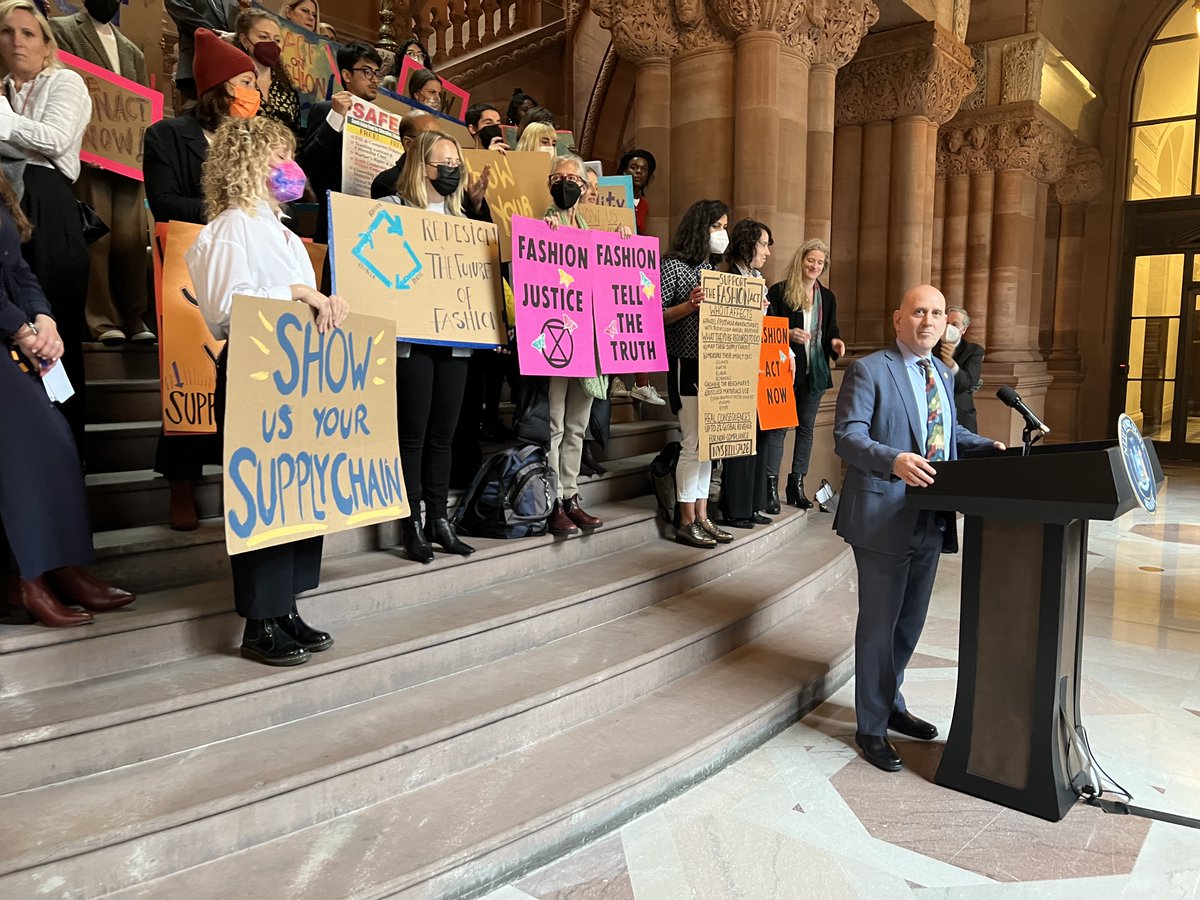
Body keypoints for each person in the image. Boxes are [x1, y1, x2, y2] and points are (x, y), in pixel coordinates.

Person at [186, 115, 348, 665]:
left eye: (290, 155)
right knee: (264, 490)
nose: (290, 166)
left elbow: (303, 303)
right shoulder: (230, 227)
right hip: (255, 372)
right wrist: (299, 291)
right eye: (278, 156)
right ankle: (259, 621)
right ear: (248, 161)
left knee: (298, 487)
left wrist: (328, 304)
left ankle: (286, 608)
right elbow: (226, 310)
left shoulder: (285, 233)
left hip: (297, 373)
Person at [834, 284, 1004, 772]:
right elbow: (847, 436)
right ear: (898, 319)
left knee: (910, 622)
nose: (928, 322)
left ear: (946, 323)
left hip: (932, 514)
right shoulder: (870, 369)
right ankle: (870, 727)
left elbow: (945, 432)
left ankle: (891, 703)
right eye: (918, 313)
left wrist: (984, 446)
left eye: (936, 314)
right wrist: (893, 460)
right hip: (882, 515)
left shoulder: (942, 373)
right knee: (880, 624)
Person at [0, 168, 136, 627]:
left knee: (60, 446)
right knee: (28, 454)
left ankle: (64, 567)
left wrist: (45, 318)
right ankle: (27, 581)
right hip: (7, 334)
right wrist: (21, 329)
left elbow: (18, 267)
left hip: (14, 332)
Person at [143, 29, 256, 531]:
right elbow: (164, 200)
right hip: (190, 269)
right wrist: (229, 213)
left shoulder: (255, 140)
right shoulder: (167, 135)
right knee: (190, 375)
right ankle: (181, 483)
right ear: (221, 86)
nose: (255, 91)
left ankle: (244, 482)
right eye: (246, 82)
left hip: (250, 270)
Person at [378, 129, 491, 563]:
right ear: (421, 166)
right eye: (444, 165)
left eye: (456, 165)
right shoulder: (392, 209)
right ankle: (411, 523)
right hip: (410, 339)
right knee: (413, 435)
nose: (452, 171)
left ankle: (439, 519)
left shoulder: (462, 220)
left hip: (455, 338)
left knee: (444, 434)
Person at [0, 0, 92, 453]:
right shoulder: (1, 89)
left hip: (49, 200)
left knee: (55, 323)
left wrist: (4, 123)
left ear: (47, 43)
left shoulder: (65, 81)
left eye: (28, 33)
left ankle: (68, 449)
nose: (17, 41)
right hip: (5, 200)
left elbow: (56, 140)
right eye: (7, 32)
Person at [51, 0, 154, 345]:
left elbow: (138, 105)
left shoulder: (131, 50)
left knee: (131, 239)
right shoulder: (62, 31)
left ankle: (134, 315)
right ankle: (101, 318)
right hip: (89, 155)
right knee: (98, 239)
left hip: (127, 160)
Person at [539, 154, 609, 536]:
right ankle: (551, 500)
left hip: (587, 341)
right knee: (554, 423)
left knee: (577, 424)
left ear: (583, 187)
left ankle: (570, 495)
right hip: (556, 338)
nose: (564, 184)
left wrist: (620, 243)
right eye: (558, 177)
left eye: (572, 179)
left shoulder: (590, 233)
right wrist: (545, 236)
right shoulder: (540, 227)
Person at [661, 199, 731, 548]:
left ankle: (703, 515)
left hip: (715, 365)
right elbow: (654, 315)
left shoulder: (714, 270)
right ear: (700, 228)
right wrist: (689, 305)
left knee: (709, 446)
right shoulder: (673, 266)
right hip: (685, 362)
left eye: (724, 227)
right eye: (717, 226)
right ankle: (686, 519)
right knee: (692, 444)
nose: (722, 234)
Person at [764, 239, 845, 512]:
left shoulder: (828, 297)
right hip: (784, 371)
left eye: (820, 262)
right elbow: (767, 328)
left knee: (806, 429)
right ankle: (769, 487)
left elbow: (831, 331)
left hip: (815, 373)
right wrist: (787, 334)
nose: (815, 266)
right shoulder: (780, 291)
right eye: (811, 260)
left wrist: (835, 343)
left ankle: (796, 485)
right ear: (801, 260)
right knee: (778, 429)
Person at [716, 218, 773, 530]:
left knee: (760, 436)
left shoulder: (758, 279)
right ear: (748, 244)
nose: (767, 252)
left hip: (761, 370)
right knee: (740, 440)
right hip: (736, 370)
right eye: (763, 244)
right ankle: (736, 509)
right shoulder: (729, 278)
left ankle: (753, 505)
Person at [296, 40, 383, 243]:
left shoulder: (384, 118)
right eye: (366, 71)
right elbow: (308, 164)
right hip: (333, 218)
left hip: (371, 216)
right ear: (346, 75)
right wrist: (336, 117)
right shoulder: (326, 110)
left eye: (377, 73)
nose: (374, 79)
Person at [613, 149, 665, 407]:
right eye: (634, 167)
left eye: (644, 169)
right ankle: (616, 378)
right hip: (611, 267)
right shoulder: (609, 197)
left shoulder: (643, 205)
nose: (638, 172)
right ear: (624, 169)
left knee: (637, 324)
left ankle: (641, 382)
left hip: (633, 270)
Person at [233, 8, 300, 136]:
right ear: (244, 40)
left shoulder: (288, 89)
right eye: (264, 37)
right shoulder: (233, 82)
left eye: (277, 40)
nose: (272, 44)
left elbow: (296, 134)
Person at [163, 0, 240, 99]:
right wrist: (218, 36)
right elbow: (184, 16)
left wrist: (235, 37)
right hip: (196, 67)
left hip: (231, 69)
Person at [368, 109, 438, 200]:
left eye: (440, 138)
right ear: (408, 144)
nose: (438, 144)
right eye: (430, 138)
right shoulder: (386, 183)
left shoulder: (442, 178)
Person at [941, 305, 984, 433]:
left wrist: (950, 364)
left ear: (963, 329)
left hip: (961, 414)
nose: (949, 328)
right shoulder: (931, 348)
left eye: (955, 324)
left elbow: (968, 383)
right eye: (946, 323)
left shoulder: (973, 350)